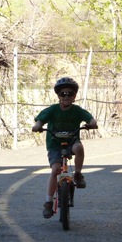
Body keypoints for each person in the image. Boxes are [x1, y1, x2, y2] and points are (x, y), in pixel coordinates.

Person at [32, 77, 98, 219]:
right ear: (58, 96)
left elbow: (90, 119)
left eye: (70, 94)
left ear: (74, 96)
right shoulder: (53, 110)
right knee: (55, 170)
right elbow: (40, 119)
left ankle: (78, 174)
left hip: (71, 141)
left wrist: (92, 123)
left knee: (79, 148)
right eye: (63, 94)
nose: (66, 96)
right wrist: (38, 126)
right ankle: (48, 202)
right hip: (55, 144)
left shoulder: (77, 110)